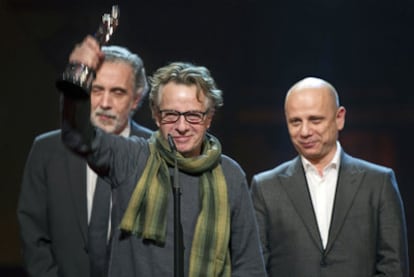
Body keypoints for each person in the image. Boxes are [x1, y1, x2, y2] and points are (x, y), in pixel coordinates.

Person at [57, 36, 266, 276]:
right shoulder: (131, 157)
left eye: (193, 116)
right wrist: (78, 72)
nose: (182, 126)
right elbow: (78, 134)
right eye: (170, 115)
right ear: (156, 116)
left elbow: (249, 265)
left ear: (209, 118)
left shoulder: (229, 174)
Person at [251, 77, 409, 277]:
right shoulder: (265, 188)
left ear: (339, 118)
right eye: (295, 122)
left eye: (315, 120)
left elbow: (393, 267)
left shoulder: (378, 183)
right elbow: (256, 268)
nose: (305, 131)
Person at [17, 43, 152, 277]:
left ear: (136, 99)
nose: (105, 103)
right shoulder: (46, 150)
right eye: (96, 90)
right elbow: (33, 234)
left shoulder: (156, 152)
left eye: (118, 92)